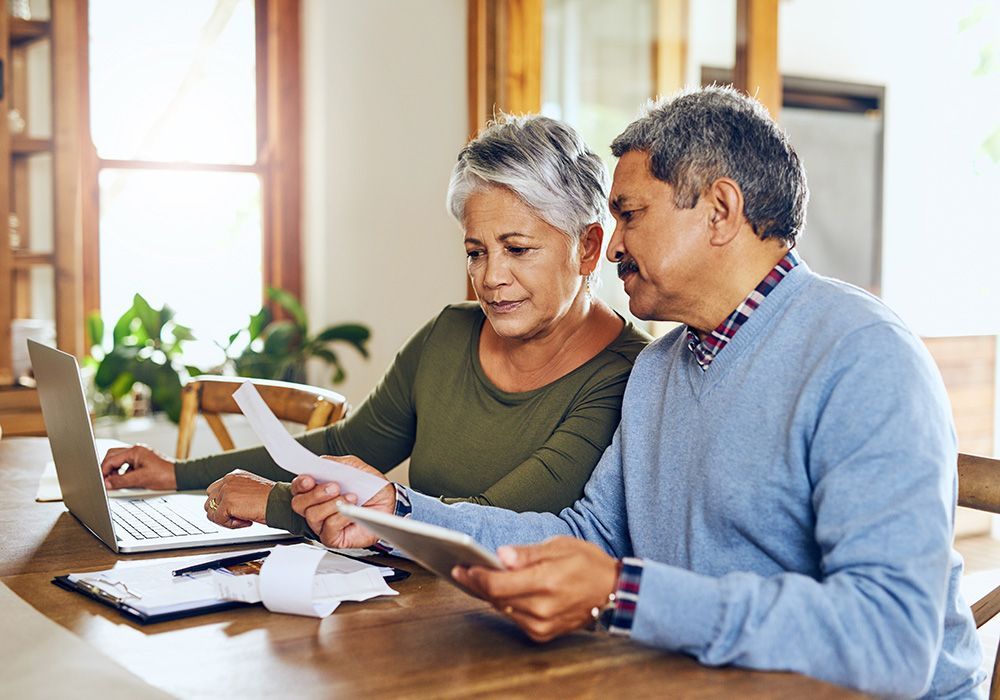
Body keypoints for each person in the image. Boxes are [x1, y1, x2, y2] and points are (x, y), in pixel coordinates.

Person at [289, 86, 984, 697]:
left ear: (719, 210)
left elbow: (892, 642)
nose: (611, 246)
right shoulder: (660, 369)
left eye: (630, 214)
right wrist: (400, 512)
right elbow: (588, 534)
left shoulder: (862, 357)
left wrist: (626, 595)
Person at [99, 114, 650, 535]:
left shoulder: (628, 375)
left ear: (587, 247)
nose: (491, 278)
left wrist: (272, 502)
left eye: (518, 249)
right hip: (407, 605)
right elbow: (345, 442)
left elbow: (494, 521)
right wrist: (174, 473)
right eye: (476, 252)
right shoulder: (449, 335)